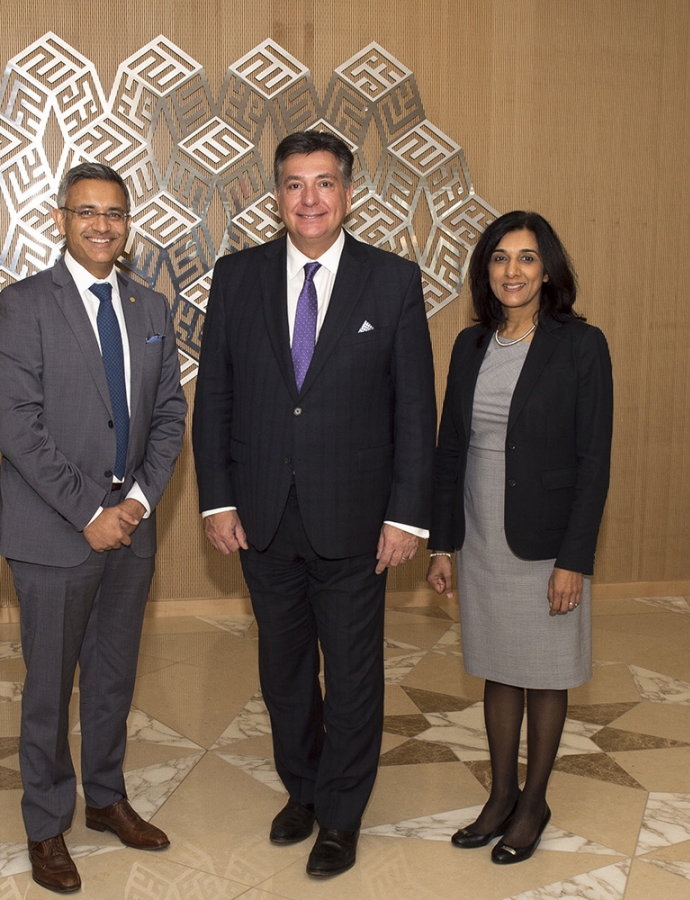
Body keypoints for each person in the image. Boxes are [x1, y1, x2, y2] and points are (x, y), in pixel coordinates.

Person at [193, 131, 436, 877]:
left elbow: (413, 408)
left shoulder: (391, 280)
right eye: (294, 184)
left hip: (359, 522)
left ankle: (341, 813)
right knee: (284, 668)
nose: (309, 198)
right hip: (263, 516)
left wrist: (407, 515)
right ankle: (302, 789)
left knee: (354, 673)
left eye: (324, 183)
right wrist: (218, 500)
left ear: (348, 193)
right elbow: (218, 399)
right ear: (276, 197)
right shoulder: (236, 277)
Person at [0, 163, 187, 894]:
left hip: (130, 530)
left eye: (114, 213)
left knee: (111, 677)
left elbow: (169, 417)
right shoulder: (22, 305)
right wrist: (89, 513)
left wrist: (134, 503)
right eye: (86, 212)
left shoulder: (150, 305)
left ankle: (104, 799)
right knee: (49, 687)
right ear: (59, 219)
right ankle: (47, 825)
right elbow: (17, 427)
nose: (101, 224)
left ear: (128, 223)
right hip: (53, 534)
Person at [426, 210, 612, 864]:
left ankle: (534, 802)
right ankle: (500, 794)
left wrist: (573, 561)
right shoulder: (470, 345)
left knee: (547, 671)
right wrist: (441, 543)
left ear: (547, 268)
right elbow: (449, 450)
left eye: (526, 258)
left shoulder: (581, 345)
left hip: (547, 538)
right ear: (487, 270)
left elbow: (594, 460)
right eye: (500, 258)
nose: (512, 271)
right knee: (500, 669)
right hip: (479, 533)